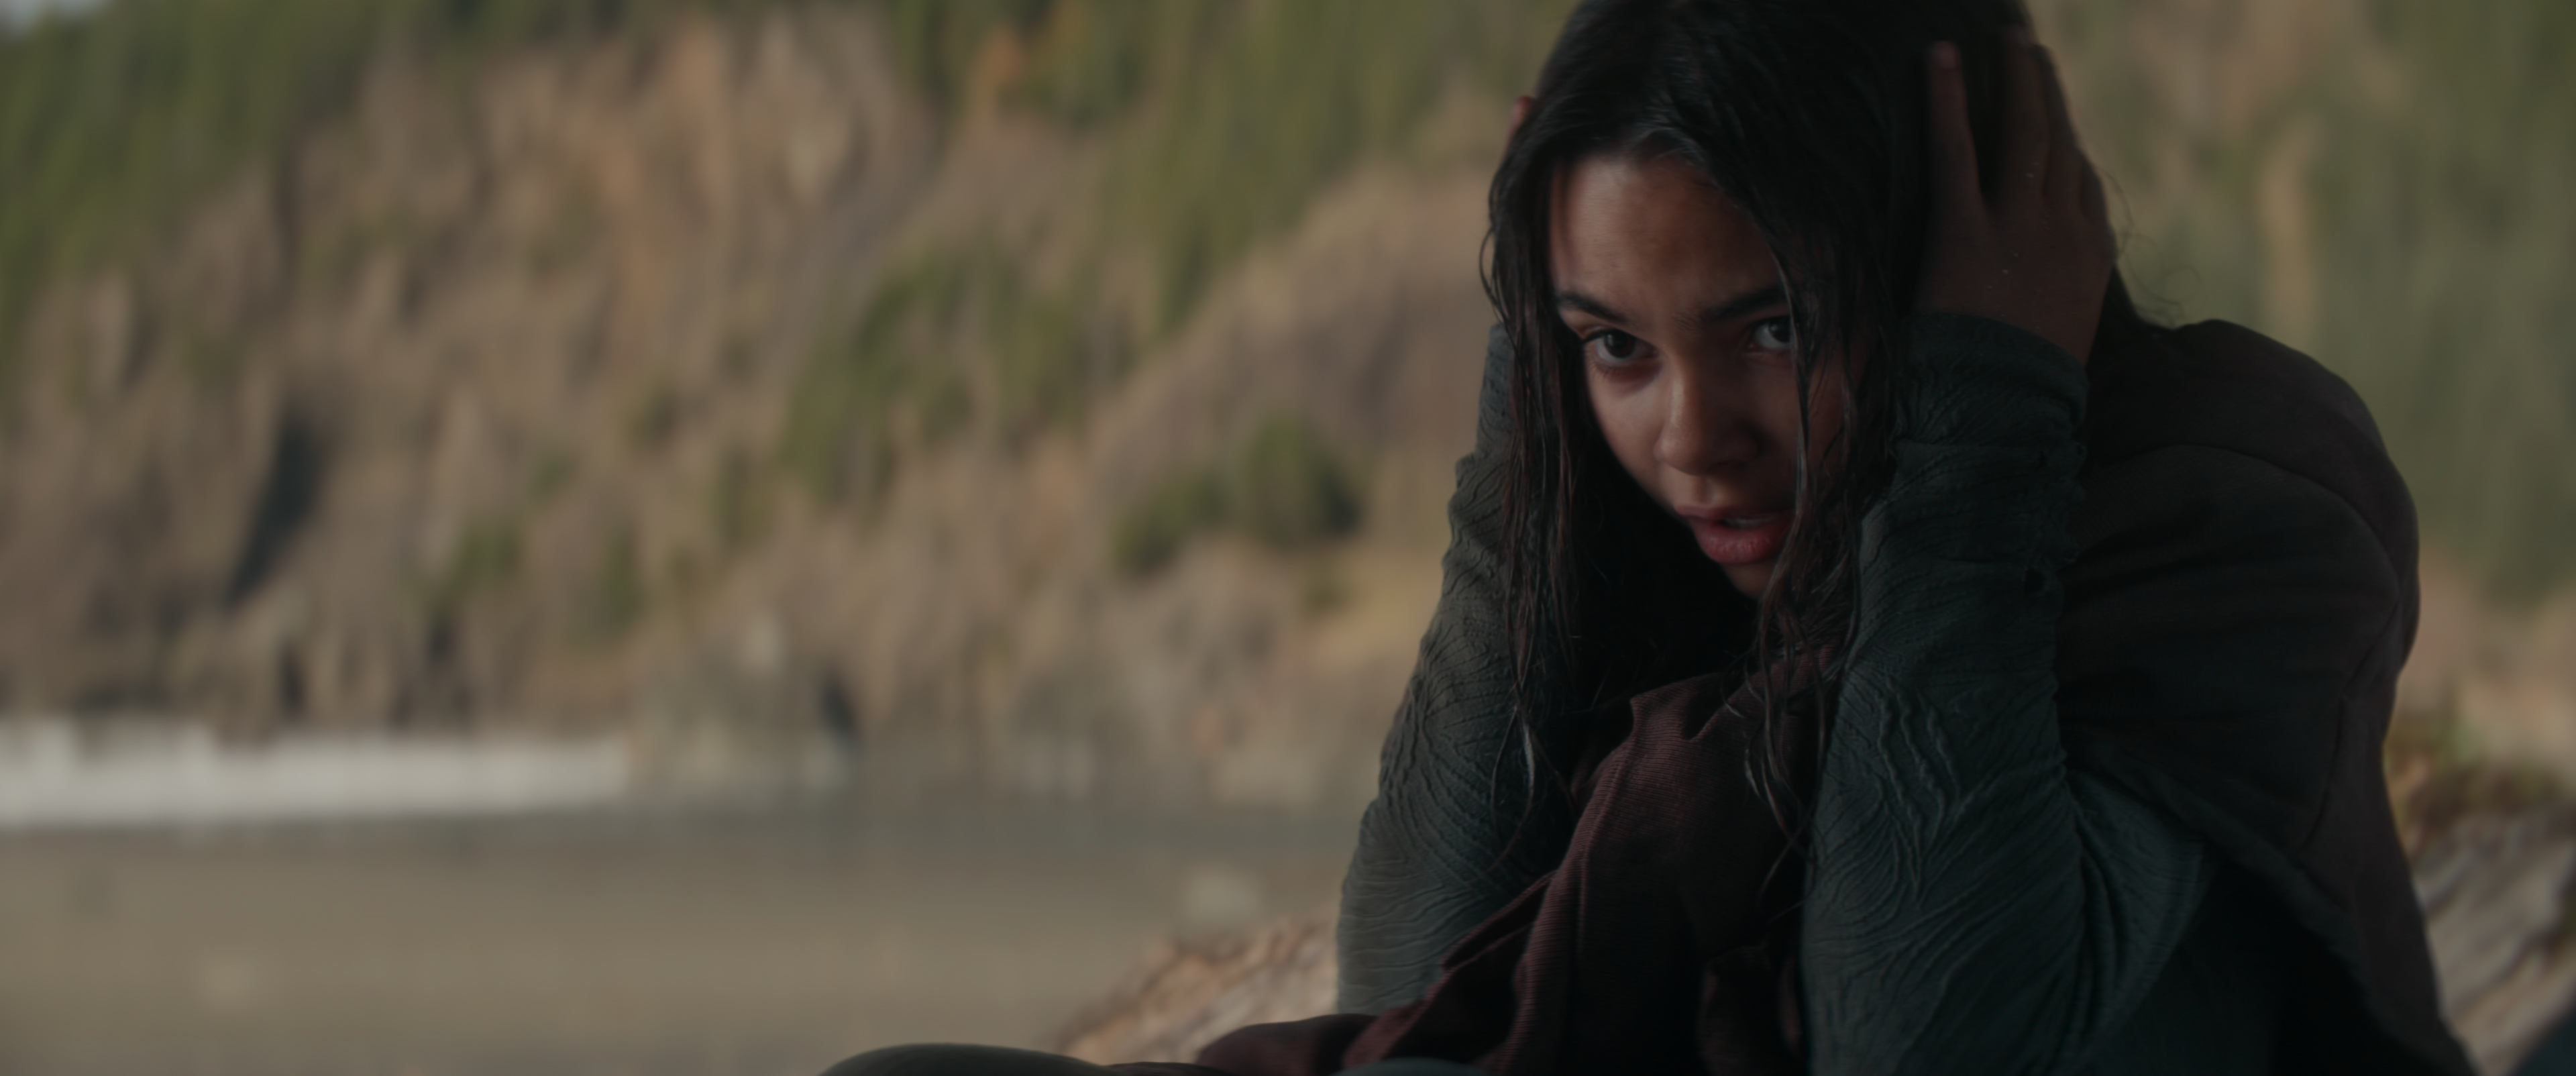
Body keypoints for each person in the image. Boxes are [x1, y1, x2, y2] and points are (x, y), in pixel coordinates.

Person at [825, 0, 2474, 1073]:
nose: (1690, 441)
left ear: (1959, 262)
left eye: (1774, 327)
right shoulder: (1664, 525)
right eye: (1618, 345)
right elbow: (1404, 970)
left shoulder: (2238, 502)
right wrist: (1533, 411)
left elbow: (1922, 1039)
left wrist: (1977, 428)